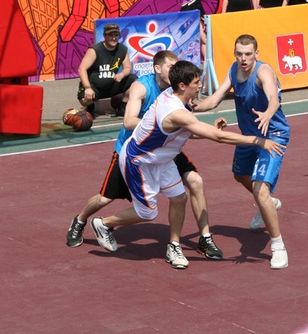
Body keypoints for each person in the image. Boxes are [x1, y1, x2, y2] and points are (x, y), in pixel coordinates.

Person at [90, 61, 285, 269]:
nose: (200, 85)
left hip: (162, 159)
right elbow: (218, 138)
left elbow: (188, 132)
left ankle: (173, 246)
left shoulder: (174, 96)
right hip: (139, 162)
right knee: (147, 213)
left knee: (179, 198)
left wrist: (208, 128)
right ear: (182, 86)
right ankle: (103, 223)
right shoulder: (175, 111)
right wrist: (257, 141)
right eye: (196, 82)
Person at [67, 51, 223, 260]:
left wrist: (206, 126)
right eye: (170, 66)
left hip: (163, 151)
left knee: (195, 181)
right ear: (157, 68)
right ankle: (80, 220)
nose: (175, 70)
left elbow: (191, 119)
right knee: (105, 198)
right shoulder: (141, 87)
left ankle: (203, 238)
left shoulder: (178, 90)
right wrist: (160, 126)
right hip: (133, 151)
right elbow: (128, 121)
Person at [194, 34, 291, 269]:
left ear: (256, 53)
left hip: (272, 136)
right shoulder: (233, 70)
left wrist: (268, 113)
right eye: (239, 54)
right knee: (239, 175)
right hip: (249, 137)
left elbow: (273, 98)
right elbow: (213, 101)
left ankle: (278, 247)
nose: (243, 58)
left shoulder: (263, 71)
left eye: (248, 54)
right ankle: (269, 202)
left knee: (260, 190)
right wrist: (189, 107)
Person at [77, 23, 136, 118]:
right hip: (94, 87)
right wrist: (87, 87)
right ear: (105, 36)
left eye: (116, 35)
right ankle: (90, 106)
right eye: (110, 35)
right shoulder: (95, 50)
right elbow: (82, 69)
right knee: (84, 100)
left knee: (134, 80)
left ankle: (122, 107)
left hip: (112, 85)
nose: (114, 38)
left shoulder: (122, 49)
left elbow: (128, 67)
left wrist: (122, 74)